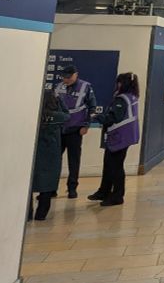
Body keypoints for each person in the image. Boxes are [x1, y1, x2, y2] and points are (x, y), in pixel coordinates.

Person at [90, 72, 140, 206]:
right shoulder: (132, 97)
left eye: (119, 82)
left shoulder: (122, 99)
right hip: (124, 136)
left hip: (120, 137)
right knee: (109, 165)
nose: (117, 85)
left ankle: (117, 195)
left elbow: (113, 118)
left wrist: (96, 116)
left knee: (115, 167)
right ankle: (104, 191)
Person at [54, 64, 97, 198]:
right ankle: (51, 188)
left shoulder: (85, 87)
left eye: (69, 77)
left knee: (74, 161)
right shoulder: (59, 87)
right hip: (59, 129)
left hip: (75, 129)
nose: (66, 80)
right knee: (54, 160)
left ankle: (72, 188)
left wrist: (86, 125)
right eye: (64, 77)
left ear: (76, 75)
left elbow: (92, 108)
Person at [30, 89, 68, 220]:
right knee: (47, 187)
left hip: (34, 156)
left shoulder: (34, 114)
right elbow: (67, 114)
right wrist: (60, 100)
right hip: (51, 156)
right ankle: (40, 216)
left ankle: (27, 215)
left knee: (29, 186)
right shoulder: (57, 116)